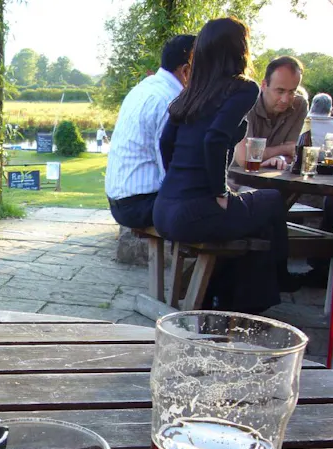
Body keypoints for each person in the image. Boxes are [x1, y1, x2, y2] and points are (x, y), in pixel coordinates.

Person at [154, 17, 300, 315]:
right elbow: (215, 139)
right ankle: (273, 283)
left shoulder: (192, 90)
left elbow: (166, 141)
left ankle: (227, 298)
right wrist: (218, 190)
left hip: (164, 209)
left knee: (254, 221)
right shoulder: (241, 89)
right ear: (240, 49)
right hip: (195, 212)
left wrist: (177, 181)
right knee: (271, 200)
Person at [105, 34, 196, 229]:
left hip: (120, 200)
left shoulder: (144, 88)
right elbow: (170, 173)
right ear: (186, 71)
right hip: (139, 204)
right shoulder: (170, 101)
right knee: (216, 209)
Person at [233, 56, 307, 170]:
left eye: (292, 91)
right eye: (280, 91)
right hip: (237, 179)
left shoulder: (299, 105)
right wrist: (284, 149)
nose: (285, 99)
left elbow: (295, 154)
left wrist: (280, 159)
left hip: (274, 177)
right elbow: (245, 158)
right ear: (263, 85)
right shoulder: (246, 101)